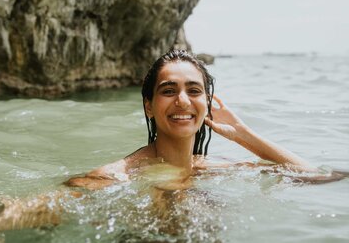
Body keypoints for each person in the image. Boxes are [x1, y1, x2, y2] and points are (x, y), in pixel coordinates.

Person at [65, 49, 345, 190]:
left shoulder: (211, 168)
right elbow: (40, 207)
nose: (183, 100)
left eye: (194, 90)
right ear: (149, 106)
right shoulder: (118, 175)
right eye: (169, 90)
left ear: (206, 104)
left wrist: (240, 132)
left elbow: (319, 176)